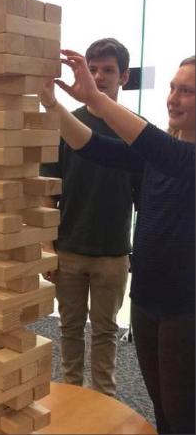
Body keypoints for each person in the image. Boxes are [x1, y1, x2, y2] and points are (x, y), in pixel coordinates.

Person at [39, 53, 195, 434]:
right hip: (147, 297)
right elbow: (93, 146)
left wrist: (95, 99)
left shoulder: (176, 154)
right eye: (173, 87)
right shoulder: (161, 150)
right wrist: (53, 105)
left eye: (187, 91)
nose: (173, 98)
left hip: (186, 305)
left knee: (184, 411)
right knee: (161, 402)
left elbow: (161, 149)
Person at [40, 38, 140, 396]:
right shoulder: (65, 125)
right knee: (68, 328)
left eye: (108, 70)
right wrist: (47, 247)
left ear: (124, 76)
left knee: (104, 330)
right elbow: (48, 193)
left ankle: (103, 401)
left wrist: (138, 257)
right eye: (93, 69)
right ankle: (71, 395)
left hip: (113, 253)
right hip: (68, 249)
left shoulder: (137, 131)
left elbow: (146, 200)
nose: (99, 77)